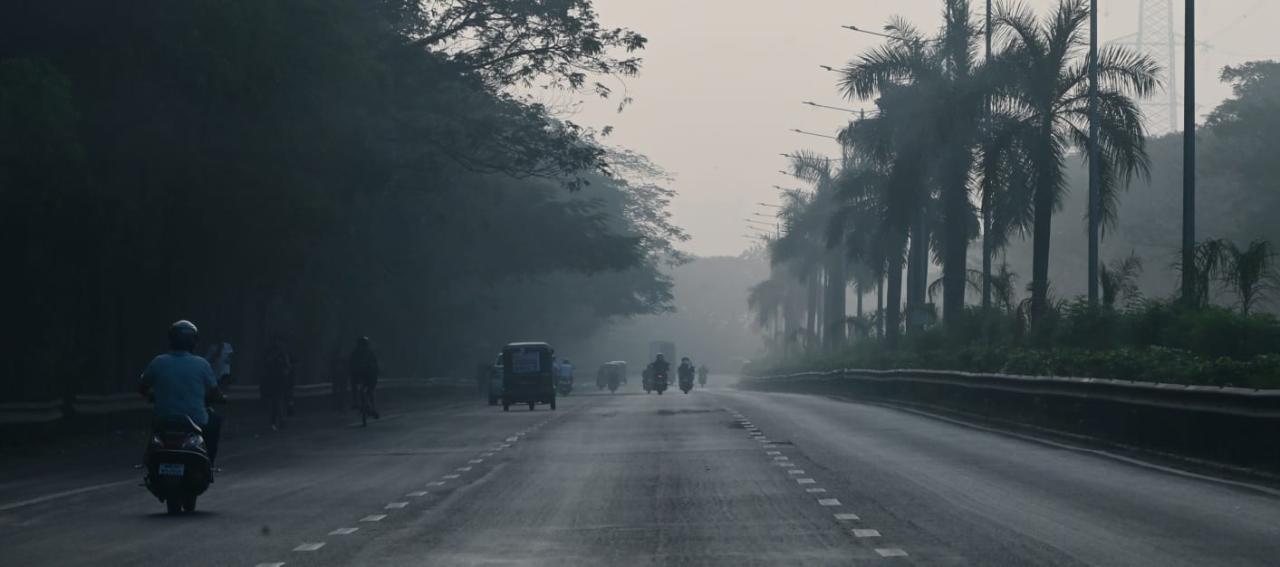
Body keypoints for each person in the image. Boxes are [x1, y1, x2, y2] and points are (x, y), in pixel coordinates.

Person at [139, 320, 224, 464]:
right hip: (197, 419)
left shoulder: (158, 361)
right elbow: (215, 393)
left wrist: (152, 396)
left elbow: (142, 386)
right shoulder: (201, 364)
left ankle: (148, 459)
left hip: (163, 418)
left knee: (155, 427)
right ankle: (209, 462)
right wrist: (220, 398)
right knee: (215, 420)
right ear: (193, 342)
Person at [262, 338, 292, 430]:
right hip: (273, 381)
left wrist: (285, 373)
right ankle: (278, 421)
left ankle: (279, 421)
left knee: (278, 401)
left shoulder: (283, 354)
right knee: (276, 402)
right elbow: (267, 363)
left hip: (280, 381)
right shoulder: (273, 353)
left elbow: (288, 366)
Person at [350, 336, 380, 419]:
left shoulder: (355, 352)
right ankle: (373, 408)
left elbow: (350, 363)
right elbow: (375, 364)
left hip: (359, 374)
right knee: (371, 390)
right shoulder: (370, 352)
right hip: (368, 375)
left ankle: (355, 401)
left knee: (354, 384)